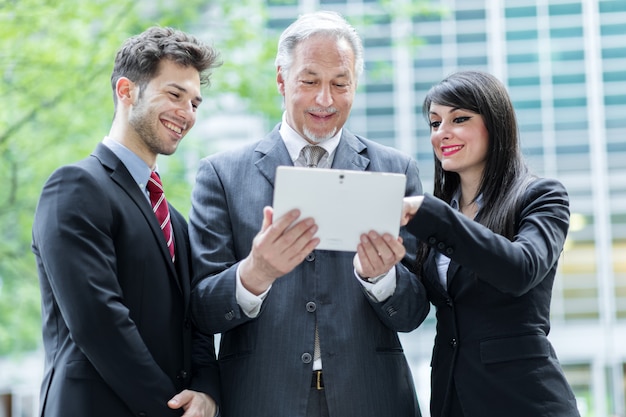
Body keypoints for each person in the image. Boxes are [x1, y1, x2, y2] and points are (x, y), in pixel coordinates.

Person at [189, 10, 430, 417]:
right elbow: (201, 310)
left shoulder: (396, 171)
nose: (325, 99)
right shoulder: (222, 175)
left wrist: (382, 278)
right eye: (310, 81)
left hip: (372, 398)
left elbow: (414, 312)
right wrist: (255, 274)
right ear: (282, 80)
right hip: (261, 399)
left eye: (341, 84)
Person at [32, 26, 222, 417]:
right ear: (126, 91)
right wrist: (169, 410)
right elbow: (98, 322)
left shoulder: (176, 223)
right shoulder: (75, 187)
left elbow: (196, 323)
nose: (186, 114)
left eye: (195, 103)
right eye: (174, 94)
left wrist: (205, 393)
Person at [401, 70, 580, 417]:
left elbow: (520, 269)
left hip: (524, 400)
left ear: (495, 124)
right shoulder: (439, 215)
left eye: (460, 119)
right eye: (435, 123)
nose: (442, 133)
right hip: (452, 399)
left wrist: (431, 214)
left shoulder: (541, 196)